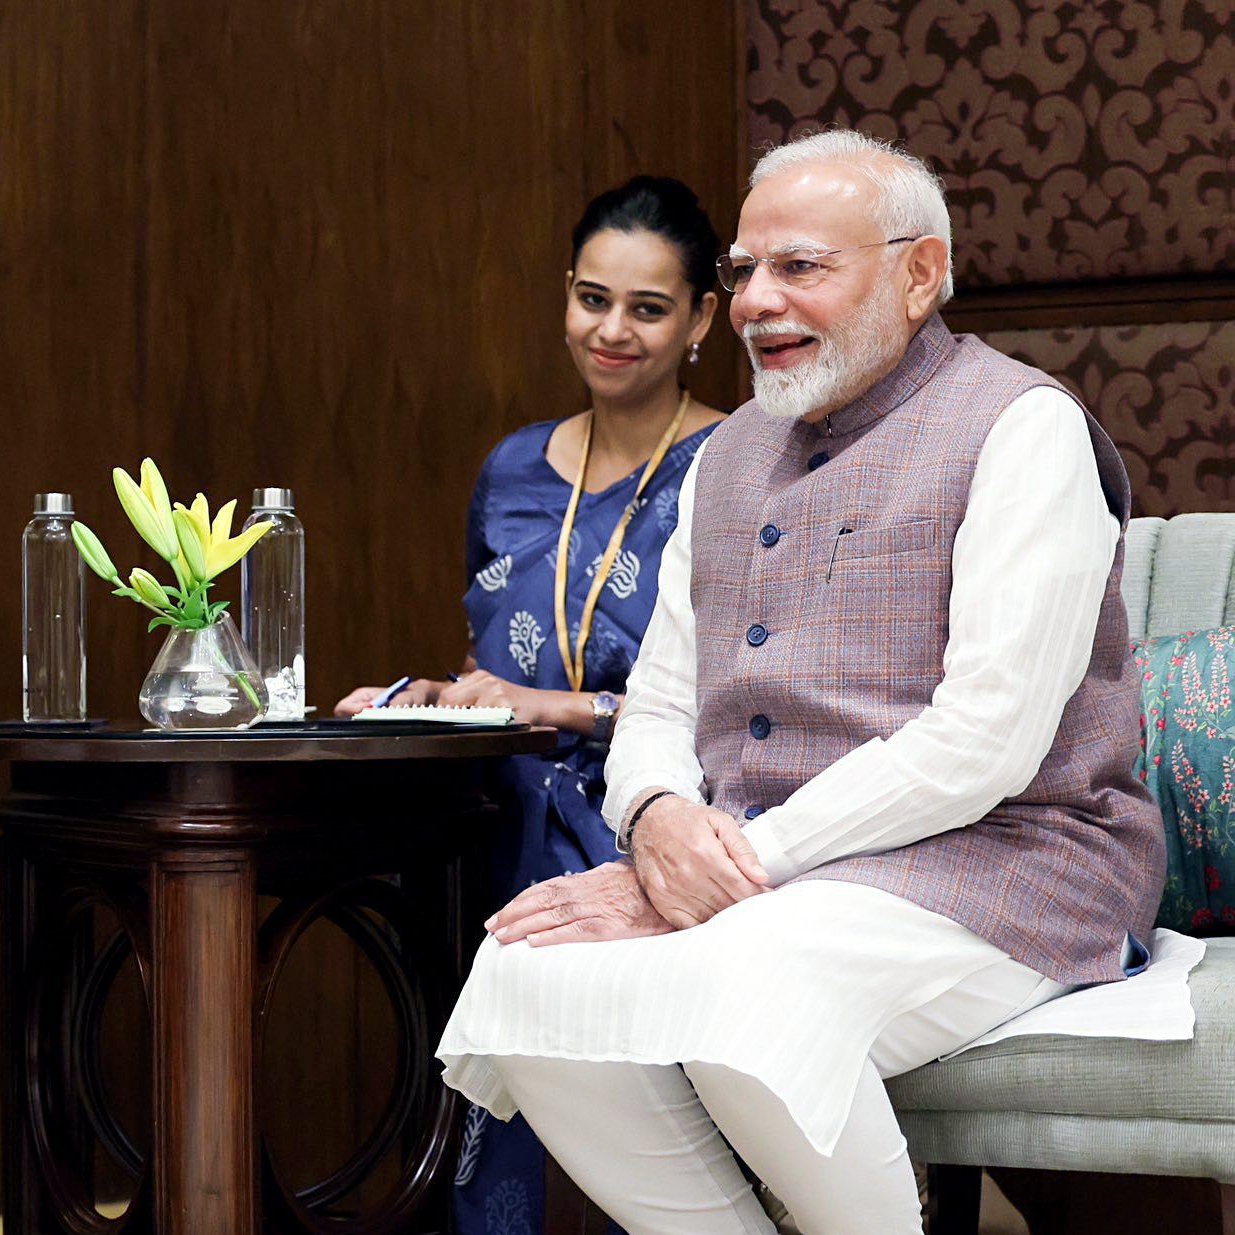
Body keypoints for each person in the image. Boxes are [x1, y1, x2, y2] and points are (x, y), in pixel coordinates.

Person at [434, 129, 1168, 1235]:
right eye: (741, 271)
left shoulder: (1020, 427)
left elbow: (985, 738)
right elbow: (664, 702)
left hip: (1015, 862)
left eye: (799, 268)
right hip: (777, 880)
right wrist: (651, 820)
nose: (751, 301)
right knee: (529, 973)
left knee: (749, 985)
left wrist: (725, 867)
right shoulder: (723, 456)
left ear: (918, 275)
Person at [337, 175, 725, 1235]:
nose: (611, 330)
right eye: (590, 297)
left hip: (644, 813)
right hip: (492, 804)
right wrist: (425, 696)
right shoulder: (510, 465)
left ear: (702, 318)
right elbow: (493, 659)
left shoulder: (732, 468)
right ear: (564, 292)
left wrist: (552, 709)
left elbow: (734, 705)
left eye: (647, 308)